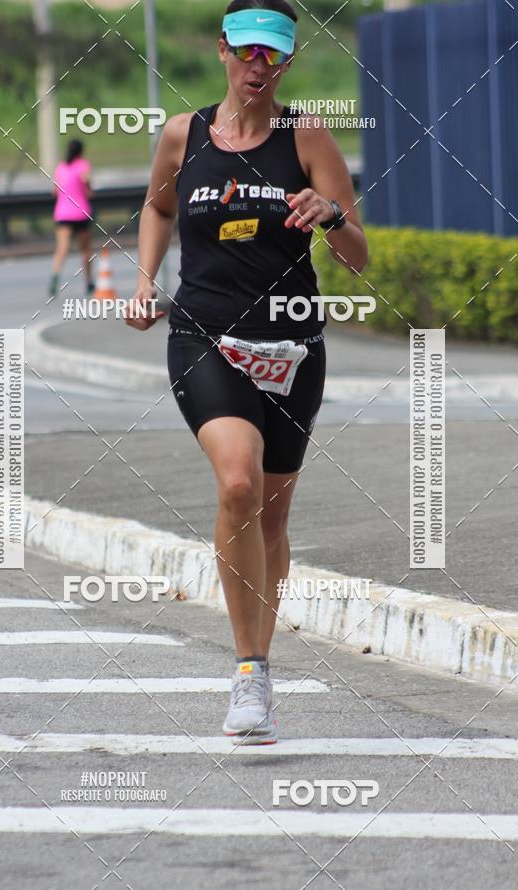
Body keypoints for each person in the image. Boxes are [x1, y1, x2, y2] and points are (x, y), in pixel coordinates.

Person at [127, 0, 368, 744]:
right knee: (237, 479)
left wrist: (330, 216)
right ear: (222, 50)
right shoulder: (183, 136)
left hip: (293, 348)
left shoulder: (307, 137)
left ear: (288, 63)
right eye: (247, 52)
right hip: (205, 336)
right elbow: (157, 208)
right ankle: (248, 671)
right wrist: (144, 279)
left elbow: (360, 254)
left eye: (273, 56)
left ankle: (258, 662)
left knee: (271, 515)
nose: (257, 67)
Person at [49, 139, 95, 298]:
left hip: (62, 213)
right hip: (81, 213)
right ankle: (89, 282)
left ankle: (55, 277)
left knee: (62, 249)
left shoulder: (60, 168)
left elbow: (54, 192)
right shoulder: (83, 165)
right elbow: (89, 188)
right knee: (85, 250)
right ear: (81, 151)